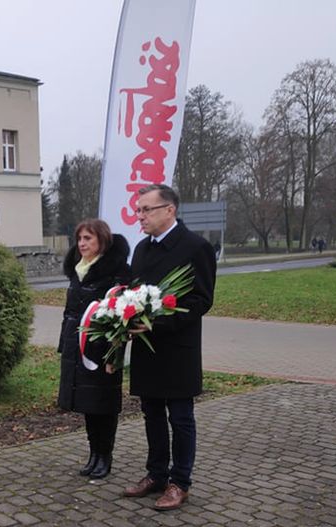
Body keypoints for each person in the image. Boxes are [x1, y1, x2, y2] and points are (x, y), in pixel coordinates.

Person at [120, 184, 216, 511]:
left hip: (178, 348)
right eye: (138, 210)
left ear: (169, 210)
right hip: (147, 348)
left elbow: (201, 300)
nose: (140, 216)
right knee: (152, 414)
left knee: (180, 417)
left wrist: (159, 324)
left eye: (146, 209)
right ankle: (157, 474)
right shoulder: (141, 249)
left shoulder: (196, 247)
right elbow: (135, 293)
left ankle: (180, 482)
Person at [57, 219, 131, 479]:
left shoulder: (117, 271)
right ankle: (93, 454)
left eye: (88, 238)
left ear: (102, 239)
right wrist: (64, 345)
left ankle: (105, 456)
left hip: (103, 350)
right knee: (88, 404)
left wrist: (114, 355)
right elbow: (70, 312)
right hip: (77, 347)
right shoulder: (77, 269)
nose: (81, 243)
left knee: (104, 404)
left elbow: (122, 318)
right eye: (79, 238)